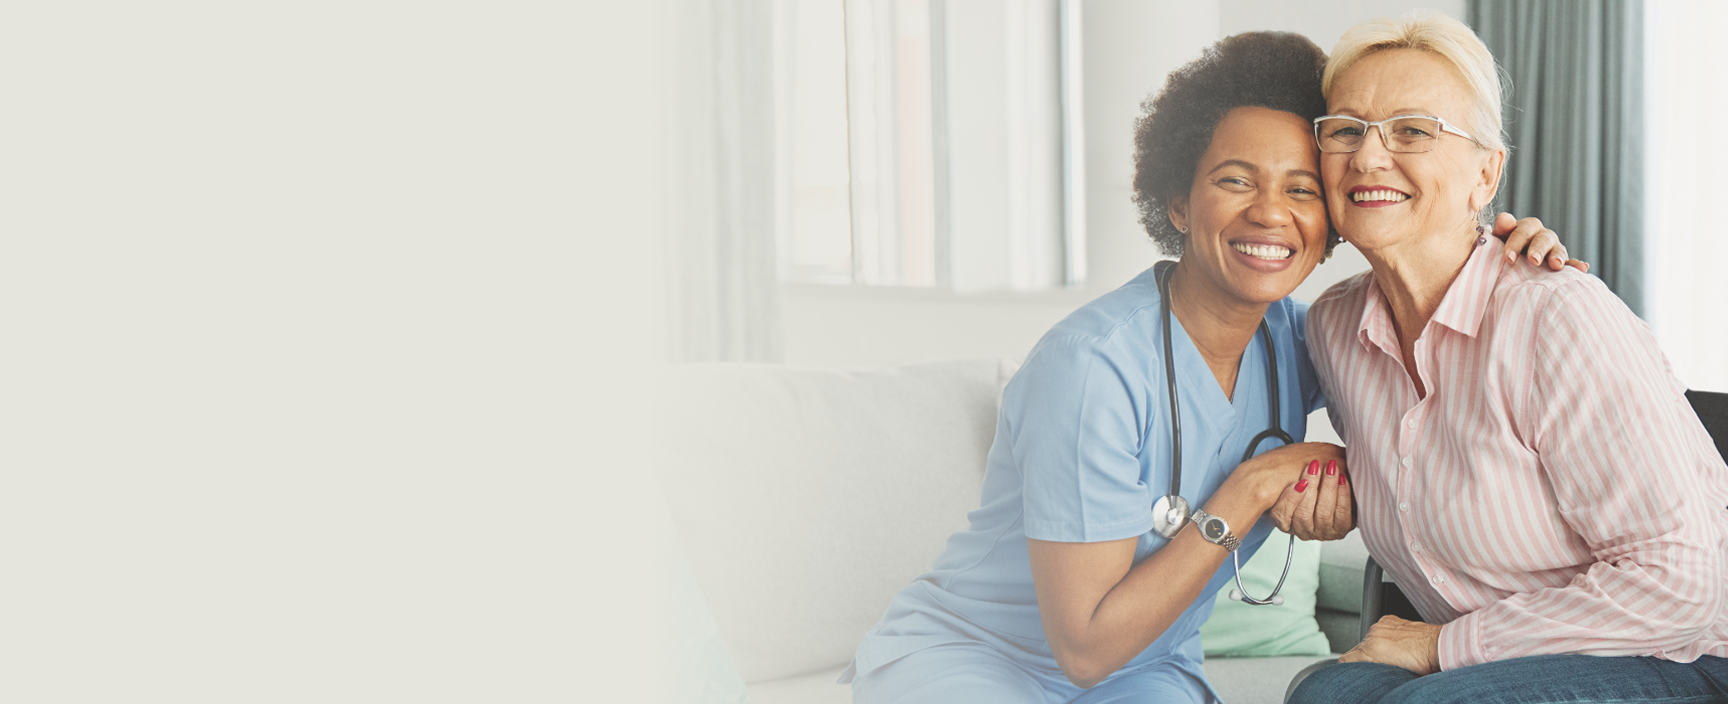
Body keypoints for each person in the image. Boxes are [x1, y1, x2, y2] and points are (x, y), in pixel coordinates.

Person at [841, 31, 1574, 704]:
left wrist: (1503, 249)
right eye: (1234, 180)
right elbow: (1086, 650)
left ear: (1330, 222)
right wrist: (1256, 483)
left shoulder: (1306, 337)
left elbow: (1427, 368)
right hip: (977, 660)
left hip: (1150, 670)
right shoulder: (1092, 368)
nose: (1270, 213)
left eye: (1302, 189)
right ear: (1178, 202)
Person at [1289, 13, 1728, 704]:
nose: (1369, 157)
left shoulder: (1557, 316)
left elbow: (1681, 584)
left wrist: (1441, 647)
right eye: (1345, 130)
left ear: (1486, 171)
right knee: (1322, 693)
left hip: (1680, 651)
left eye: (1413, 131)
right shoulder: (1334, 328)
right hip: (1496, 661)